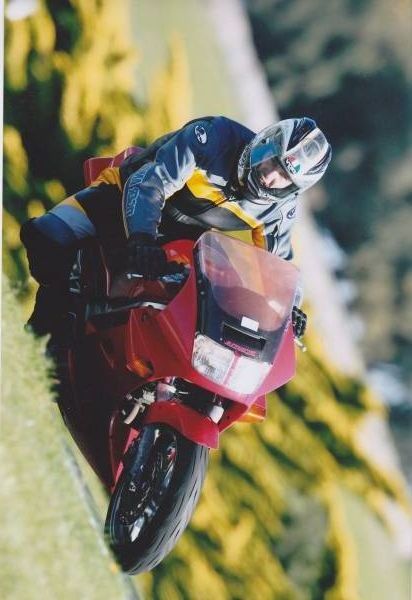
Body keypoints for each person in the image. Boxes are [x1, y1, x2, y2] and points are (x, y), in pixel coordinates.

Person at [20, 115, 331, 341]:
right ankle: (45, 330)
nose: (271, 177)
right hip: (121, 197)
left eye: (284, 177)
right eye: (272, 161)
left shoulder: (280, 209)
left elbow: (279, 265)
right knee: (47, 236)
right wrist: (142, 237)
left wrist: (290, 308)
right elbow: (151, 183)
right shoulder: (213, 137)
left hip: (182, 247)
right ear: (265, 142)